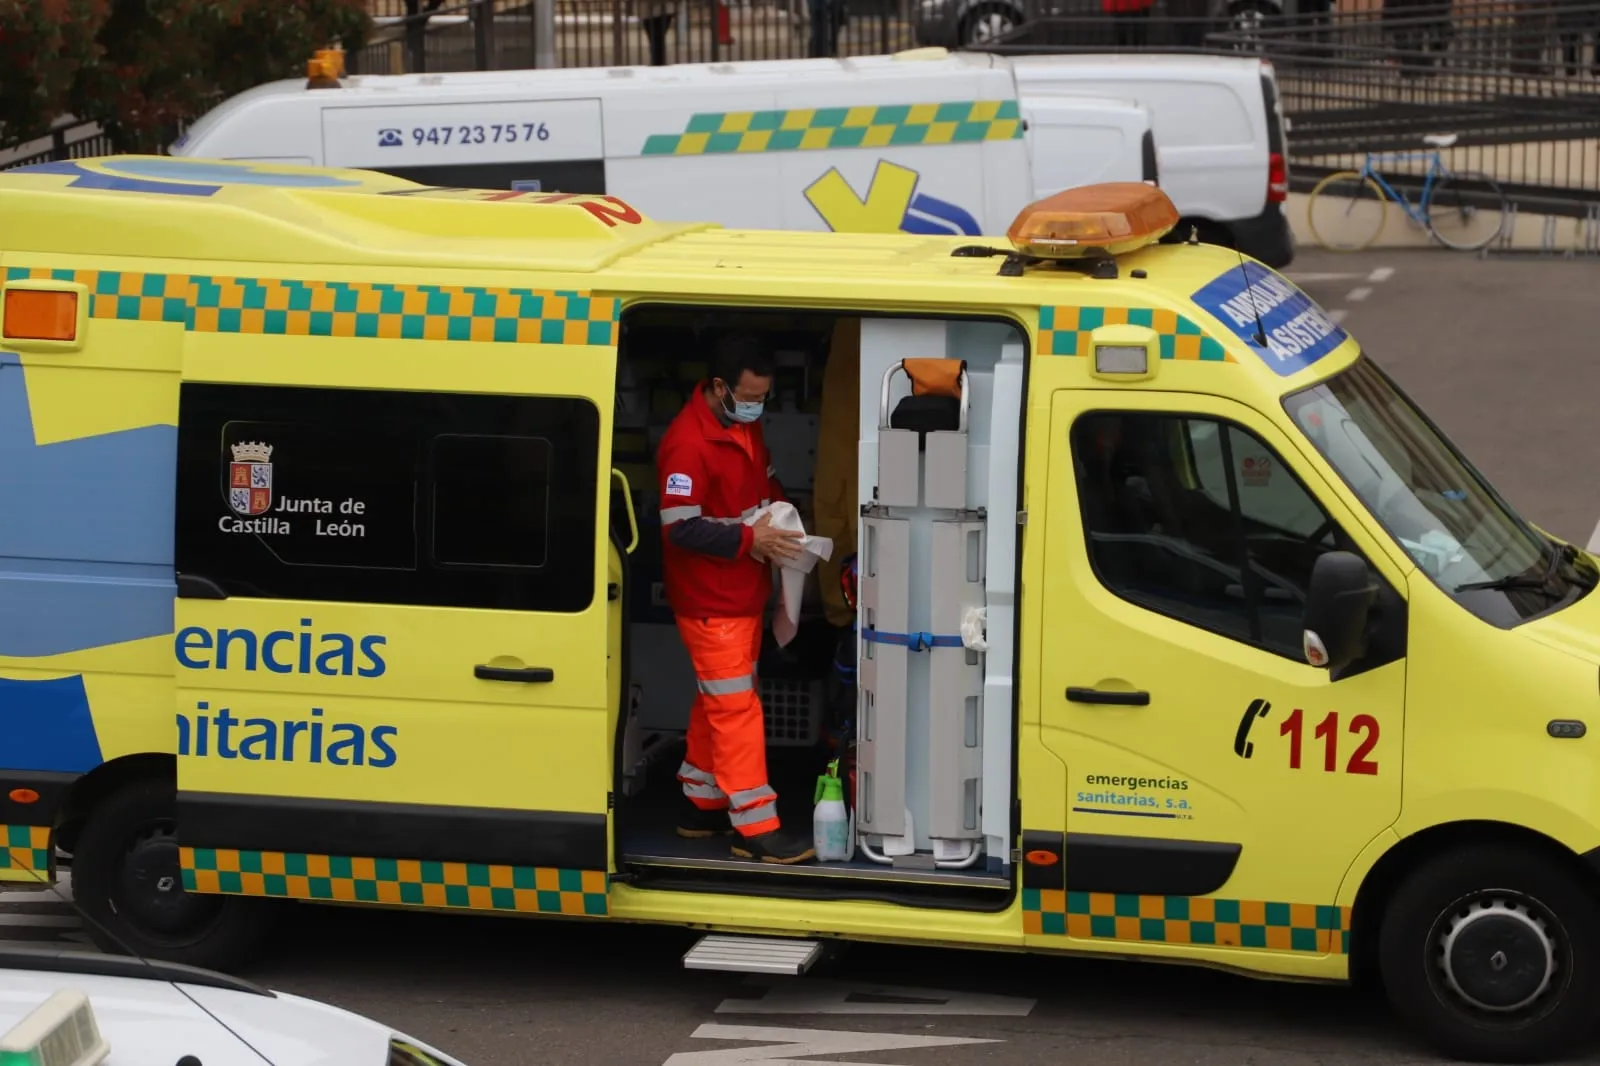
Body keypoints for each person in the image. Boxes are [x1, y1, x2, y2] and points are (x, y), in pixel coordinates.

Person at [656, 332, 816, 865]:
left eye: (763, 397)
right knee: (736, 711)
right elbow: (679, 529)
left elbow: (765, 486)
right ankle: (757, 828)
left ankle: (700, 805)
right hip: (712, 602)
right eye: (749, 397)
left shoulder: (743, 428)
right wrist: (752, 540)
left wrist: (785, 520)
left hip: (740, 595)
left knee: (719, 699)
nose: (756, 406)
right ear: (720, 387)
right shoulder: (687, 444)